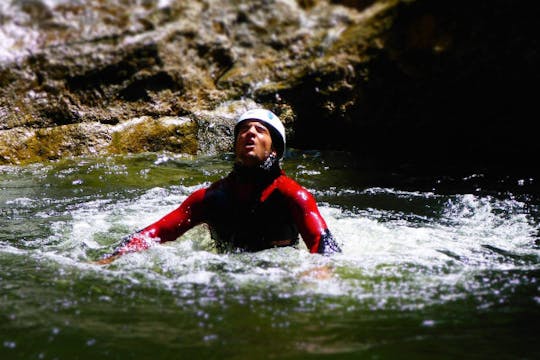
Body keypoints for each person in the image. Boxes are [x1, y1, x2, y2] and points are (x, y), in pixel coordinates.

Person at [97, 108, 341, 264]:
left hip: (278, 274)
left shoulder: (293, 196)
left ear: (274, 149)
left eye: (260, 130)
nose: (250, 134)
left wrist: (318, 275)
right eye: (243, 130)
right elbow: (157, 233)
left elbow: (324, 247)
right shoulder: (211, 198)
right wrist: (111, 258)